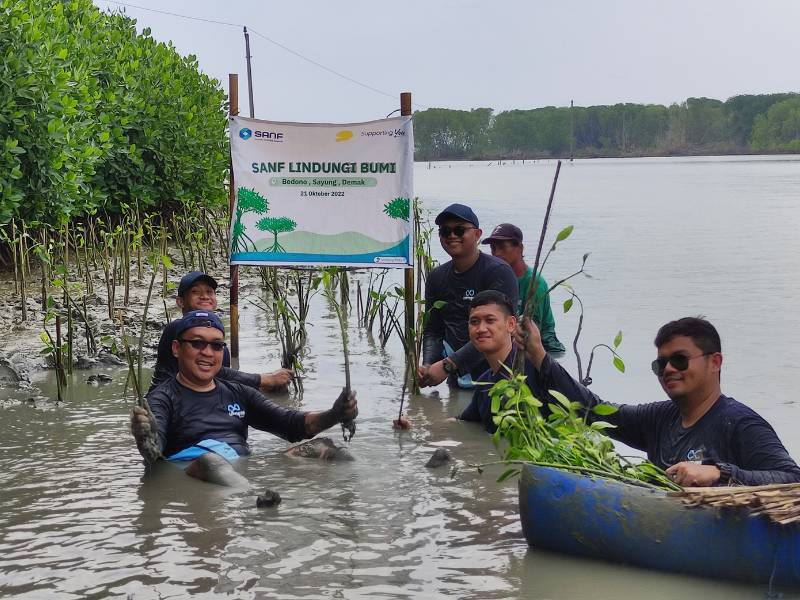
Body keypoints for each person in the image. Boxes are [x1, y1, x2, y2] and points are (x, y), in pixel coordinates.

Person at [515, 315, 800, 486]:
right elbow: (593, 410)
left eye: (679, 359)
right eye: (660, 364)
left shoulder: (738, 422)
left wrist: (717, 473)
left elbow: (792, 480)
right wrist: (539, 355)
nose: (668, 370)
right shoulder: (659, 418)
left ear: (715, 362)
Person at [131, 310, 358, 464]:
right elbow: (155, 444)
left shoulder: (238, 393)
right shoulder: (162, 398)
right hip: (195, 470)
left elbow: (293, 424)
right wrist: (147, 437)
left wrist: (336, 414)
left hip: (240, 467)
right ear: (176, 349)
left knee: (329, 450)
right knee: (210, 463)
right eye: (197, 343)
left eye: (216, 345)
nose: (208, 353)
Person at [418, 203, 519, 389]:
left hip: (498, 379)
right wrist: (428, 365)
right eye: (445, 231)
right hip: (457, 379)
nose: (452, 236)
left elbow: (502, 331)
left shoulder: (498, 273)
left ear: (478, 234)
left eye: (459, 230)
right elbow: (434, 330)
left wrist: (449, 365)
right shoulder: (436, 277)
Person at [148, 271, 292, 394]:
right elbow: (221, 373)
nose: (204, 296)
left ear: (216, 301)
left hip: (197, 402)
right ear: (180, 302)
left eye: (209, 292)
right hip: (167, 401)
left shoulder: (218, 341)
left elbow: (221, 382)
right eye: (195, 292)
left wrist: (258, 390)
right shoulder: (177, 328)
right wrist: (265, 379)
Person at [455, 290, 552, 432]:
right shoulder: (484, 384)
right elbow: (463, 422)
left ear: (511, 324)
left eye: (490, 320)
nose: (481, 329)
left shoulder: (533, 370)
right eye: (474, 322)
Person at [481, 222, 564, 354]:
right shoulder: (496, 280)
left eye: (502, 247)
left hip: (546, 349)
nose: (496, 253)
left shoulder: (535, 282)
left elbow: (531, 330)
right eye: (493, 248)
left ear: (520, 248)